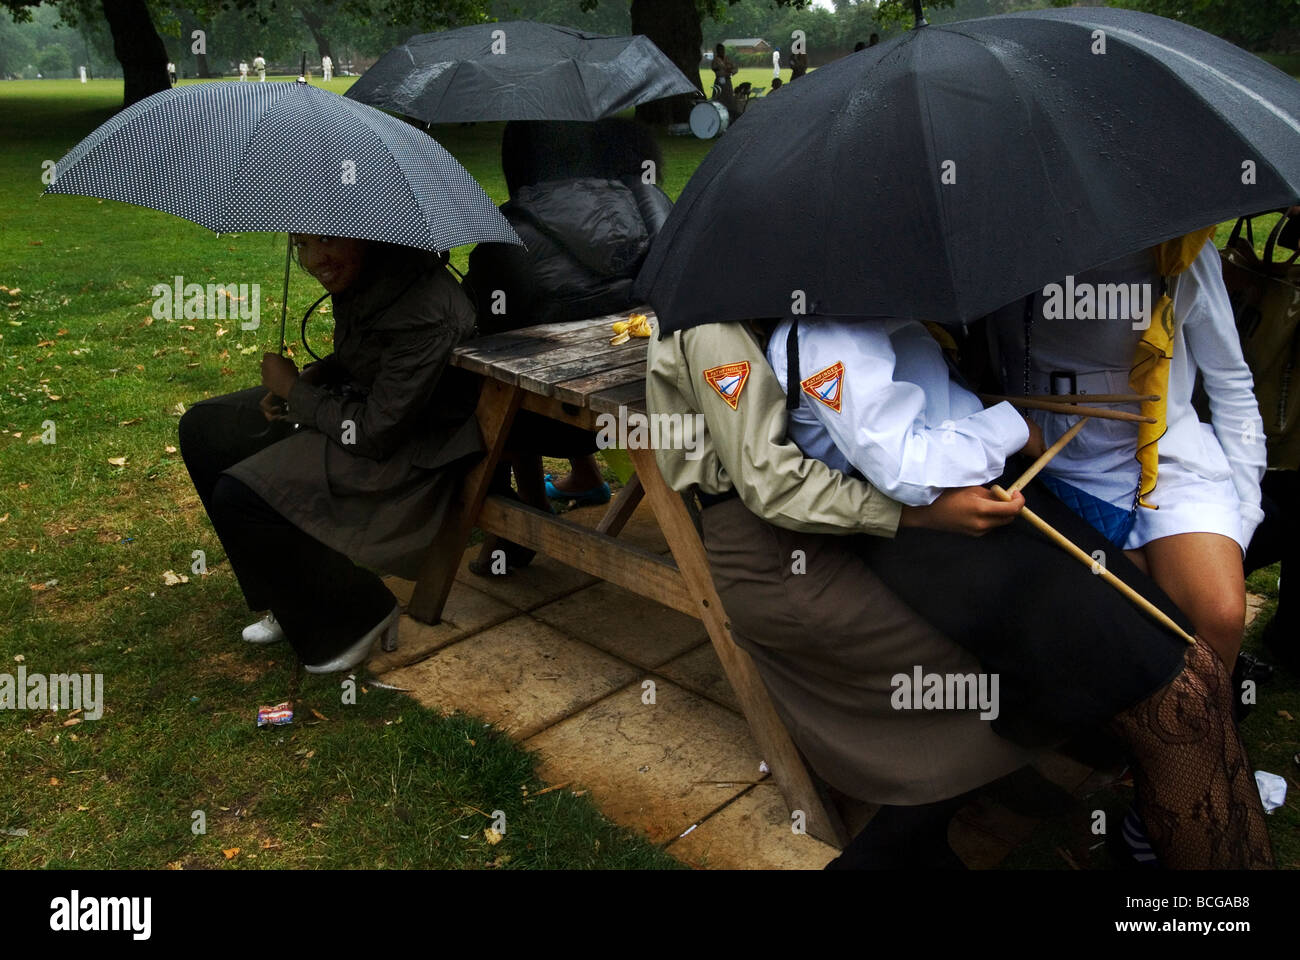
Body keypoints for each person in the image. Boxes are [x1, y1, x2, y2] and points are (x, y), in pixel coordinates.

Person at [762, 313, 1273, 868]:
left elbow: (926, 413)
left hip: (993, 505)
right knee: (1179, 700)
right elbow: (907, 469)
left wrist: (983, 414)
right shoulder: (828, 336)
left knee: (1191, 671)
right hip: (945, 539)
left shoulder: (878, 314)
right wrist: (1008, 427)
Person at [647, 318, 1035, 869]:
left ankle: (931, 834)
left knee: (989, 620)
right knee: (979, 668)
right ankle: (888, 848)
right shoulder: (714, 328)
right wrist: (913, 514)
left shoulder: (774, 306)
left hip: (822, 529)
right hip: (773, 556)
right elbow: (770, 484)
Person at [178, 236, 482, 672]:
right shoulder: (374, 275)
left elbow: (376, 434)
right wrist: (317, 376)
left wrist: (295, 392)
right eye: (302, 244)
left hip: (414, 456)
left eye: (326, 241)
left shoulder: (424, 310)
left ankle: (358, 614)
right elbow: (370, 360)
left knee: (240, 494)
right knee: (207, 428)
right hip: (369, 415)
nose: (314, 259)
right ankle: (288, 599)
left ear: (366, 234)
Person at [986, 233, 1266, 678]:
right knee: (1105, 623)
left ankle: (1210, 727)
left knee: (1218, 614)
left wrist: (1245, 512)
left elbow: (1230, 381)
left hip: (1172, 456)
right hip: (1053, 462)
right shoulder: (998, 244)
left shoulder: (1180, 247)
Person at [711, 43, 737, 111]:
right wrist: (727, 69)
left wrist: (730, 71)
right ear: (717, 51)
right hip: (719, 81)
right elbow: (717, 71)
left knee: (729, 98)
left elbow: (735, 69)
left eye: (723, 49)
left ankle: (730, 112)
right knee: (719, 97)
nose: (722, 51)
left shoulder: (728, 59)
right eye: (720, 50)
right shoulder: (715, 60)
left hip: (727, 81)